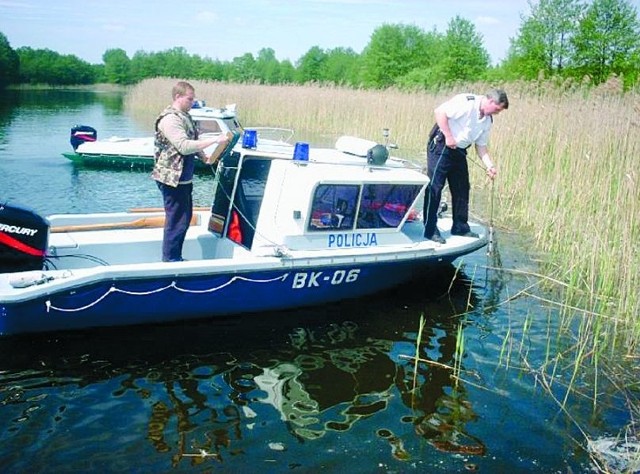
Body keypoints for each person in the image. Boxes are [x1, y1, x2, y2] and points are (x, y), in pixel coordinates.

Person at [152, 81, 229, 262]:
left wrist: (205, 157)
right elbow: (184, 146)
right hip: (172, 179)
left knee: (184, 219)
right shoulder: (170, 119)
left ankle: (175, 257)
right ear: (178, 97)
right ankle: (170, 260)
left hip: (183, 179)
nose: (192, 102)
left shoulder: (185, 116)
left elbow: (192, 140)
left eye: (193, 99)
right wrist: (215, 140)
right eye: (190, 99)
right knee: (176, 220)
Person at [423, 88, 509, 244]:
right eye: (497, 109)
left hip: (459, 150)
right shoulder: (466, 102)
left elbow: (481, 146)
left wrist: (490, 166)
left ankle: (460, 226)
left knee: (462, 187)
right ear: (490, 101)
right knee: (435, 187)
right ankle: (430, 230)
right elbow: (439, 112)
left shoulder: (487, 120)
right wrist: (449, 136)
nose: (497, 113)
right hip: (441, 145)